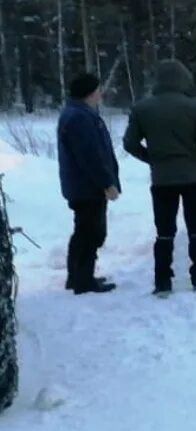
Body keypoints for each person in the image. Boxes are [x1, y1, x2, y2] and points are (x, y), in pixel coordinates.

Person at [123, 60, 196, 296]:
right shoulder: (195, 108)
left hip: (162, 179)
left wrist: (153, 159)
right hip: (194, 178)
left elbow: (129, 143)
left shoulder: (142, 109)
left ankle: (163, 282)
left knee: (164, 232)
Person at [57, 73, 120, 294]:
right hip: (87, 187)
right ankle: (83, 280)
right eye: (97, 90)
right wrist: (106, 183)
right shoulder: (80, 118)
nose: (100, 94)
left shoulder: (77, 114)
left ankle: (77, 277)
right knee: (90, 233)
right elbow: (89, 155)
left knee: (83, 231)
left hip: (82, 186)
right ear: (89, 93)